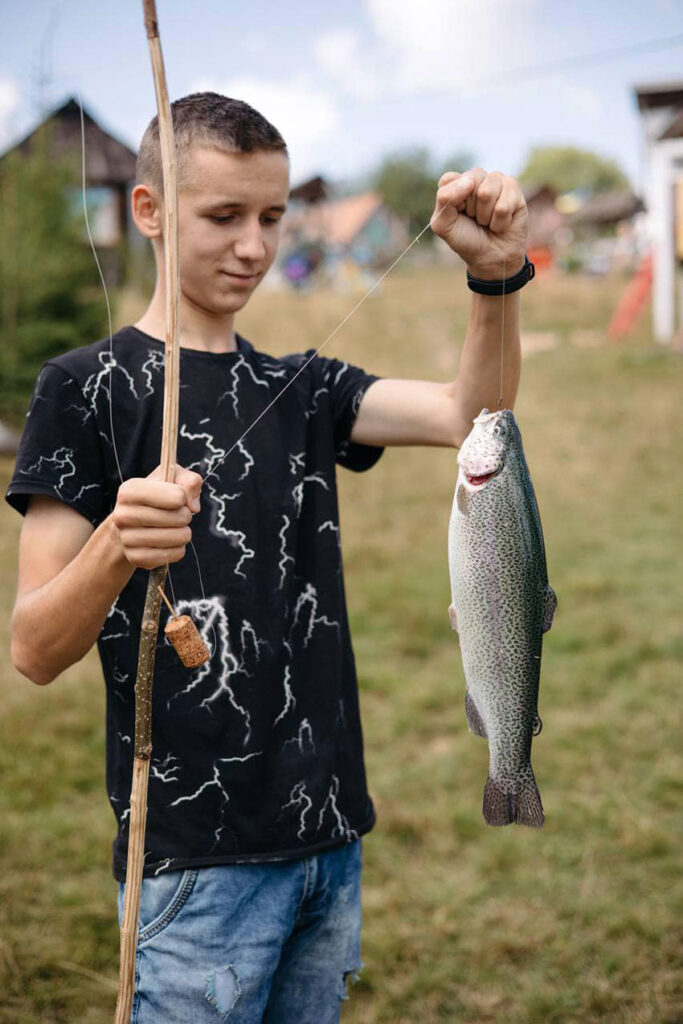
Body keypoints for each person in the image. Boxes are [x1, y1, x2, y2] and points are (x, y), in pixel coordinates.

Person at [6, 93, 531, 1023]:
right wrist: (114, 548)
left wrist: (495, 278)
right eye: (223, 216)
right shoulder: (83, 389)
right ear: (150, 212)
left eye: (272, 217)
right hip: (193, 870)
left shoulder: (302, 386)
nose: (253, 244)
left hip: (328, 845)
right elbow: (33, 650)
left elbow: (470, 416)